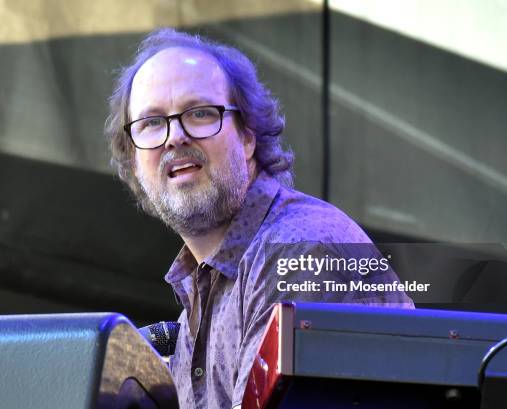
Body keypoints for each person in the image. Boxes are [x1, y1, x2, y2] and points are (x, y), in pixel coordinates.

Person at [105, 28, 414, 409]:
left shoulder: (299, 250)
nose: (174, 137)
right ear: (135, 164)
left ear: (248, 137)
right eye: (151, 123)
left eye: (200, 113)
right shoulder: (199, 297)